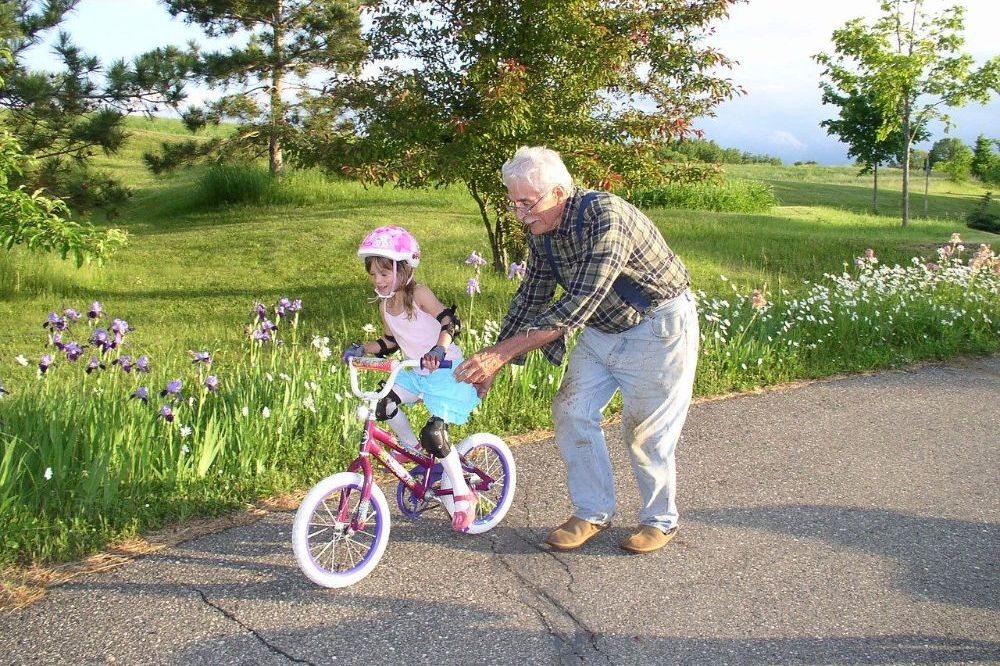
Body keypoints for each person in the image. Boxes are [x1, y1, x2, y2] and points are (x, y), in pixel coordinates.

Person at [454, 146, 699, 553]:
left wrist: (502, 354)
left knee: (645, 433)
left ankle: (660, 520)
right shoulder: (542, 232)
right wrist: (496, 359)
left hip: (657, 326)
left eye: (526, 203)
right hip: (603, 327)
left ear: (558, 192)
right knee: (571, 410)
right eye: (513, 203)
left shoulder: (607, 217)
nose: (520, 214)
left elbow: (578, 304)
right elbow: (531, 296)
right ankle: (593, 512)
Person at [343, 225, 482, 531]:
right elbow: (390, 343)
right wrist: (361, 349)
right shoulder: (385, 305)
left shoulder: (419, 293)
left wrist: (438, 349)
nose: (378, 281)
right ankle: (411, 448)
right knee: (384, 404)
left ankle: (462, 494)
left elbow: (450, 321)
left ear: (403, 268)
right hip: (415, 372)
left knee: (435, 434)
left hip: (445, 372)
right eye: (374, 275)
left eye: (384, 273)